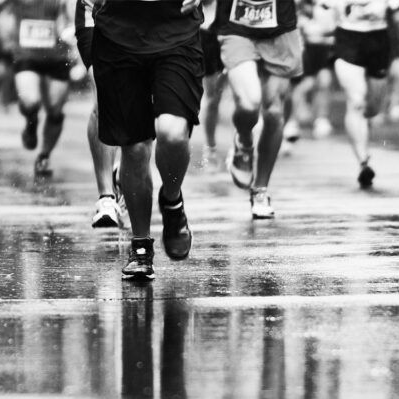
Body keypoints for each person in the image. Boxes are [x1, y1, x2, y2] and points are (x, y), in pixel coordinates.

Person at [92, 0, 202, 281]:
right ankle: (140, 245)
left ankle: (172, 201)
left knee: (173, 133)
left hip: (176, 31)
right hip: (118, 36)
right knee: (136, 147)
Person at [216, 0, 303, 220]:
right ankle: (244, 142)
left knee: (274, 112)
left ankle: (261, 190)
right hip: (237, 27)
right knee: (249, 102)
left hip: (280, 28)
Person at [0, 0, 72, 177]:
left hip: (57, 57)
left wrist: (71, 33)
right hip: (26, 55)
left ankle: (44, 156)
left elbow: (72, 13)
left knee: (55, 110)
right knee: (30, 101)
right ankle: (31, 121)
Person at [330, 0, 397, 189]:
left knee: (373, 107)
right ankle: (363, 161)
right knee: (356, 101)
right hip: (347, 38)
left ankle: (363, 130)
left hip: (378, 39)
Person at [74, 0, 126, 228]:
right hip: (95, 14)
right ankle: (106, 198)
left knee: (140, 98)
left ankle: (125, 170)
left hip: (143, 18)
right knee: (104, 91)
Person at [291, 0, 336, 139]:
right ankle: (291, 121)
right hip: (307, 47)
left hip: (327, 46)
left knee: (325, 81)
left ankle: (321, 119)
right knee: (307, 84)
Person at [199, 0, 227, 172]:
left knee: (218, 97)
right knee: (213, 98)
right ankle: (210, 149)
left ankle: (243, 144)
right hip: (203, 33)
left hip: (231, 33)